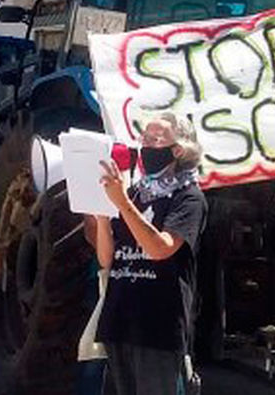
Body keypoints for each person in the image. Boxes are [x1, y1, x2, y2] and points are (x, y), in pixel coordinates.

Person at [94, 112, 208, 395]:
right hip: (120, 321)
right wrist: (101, 220)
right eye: (144, 138)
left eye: (155, 140)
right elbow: (107, 259)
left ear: (178, 151)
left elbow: (160, 249)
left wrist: (122, 204)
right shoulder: (134, 193)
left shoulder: (189, 198)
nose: (146, 146)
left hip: (158, 328)